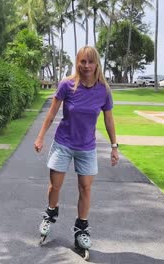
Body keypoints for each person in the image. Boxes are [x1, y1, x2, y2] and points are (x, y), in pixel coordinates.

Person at [34, 46, 119, 253]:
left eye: (90, 62)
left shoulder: (103, 90)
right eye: (83, 61)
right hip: (63, 143)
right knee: (55, 186)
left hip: (87, 147)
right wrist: (40, 137)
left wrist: (114, 146)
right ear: (77, 63)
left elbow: (108, 119)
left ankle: (81, 228)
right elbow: (52, 113)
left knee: (86, 188)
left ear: (96, 63)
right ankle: (51, 213)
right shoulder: (67, 85)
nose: (87, 66)